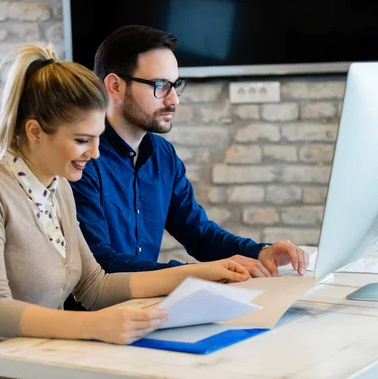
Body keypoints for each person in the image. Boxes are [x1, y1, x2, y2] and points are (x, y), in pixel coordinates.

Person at [0, 43, 251, 379]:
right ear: (35, 132)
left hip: (38, 366)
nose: (94, 154)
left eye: (97, 139)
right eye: (82, 140)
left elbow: (95, 285)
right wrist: (95, 325)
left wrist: (200, 273)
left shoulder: (58, 186)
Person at [70, 25, 310, 278]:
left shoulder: (163, 156)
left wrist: (260, 251)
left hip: (146, 306)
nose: (174, 100)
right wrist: (200, 272)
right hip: (96, 315)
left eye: (175, 85)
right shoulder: (82, 158)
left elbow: (199, 234)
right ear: (116, 86)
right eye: (160, 85)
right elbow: (100, 263)